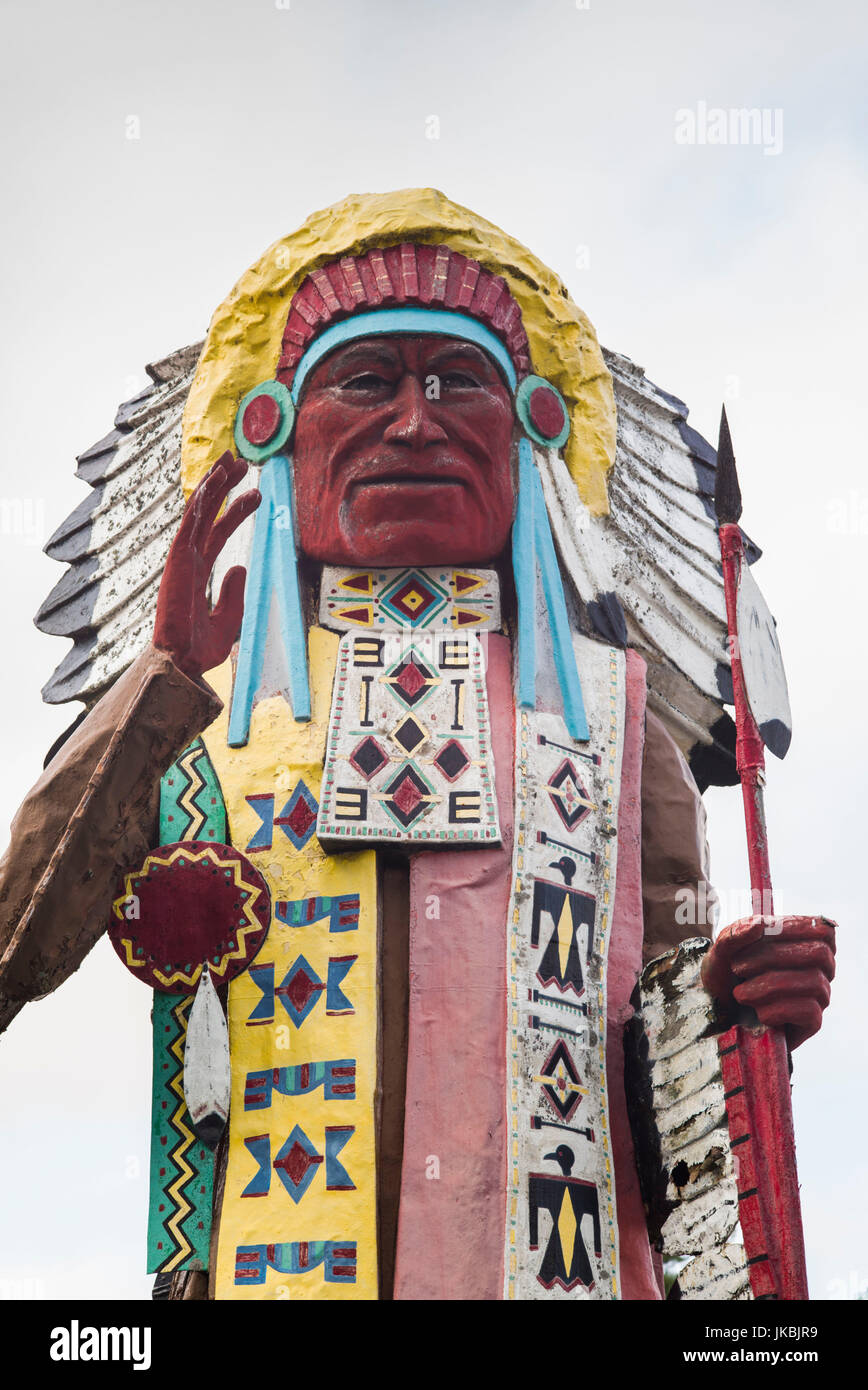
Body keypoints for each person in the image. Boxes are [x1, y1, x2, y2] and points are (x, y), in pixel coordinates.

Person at [0, 190, 835, 1301]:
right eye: (365, 381)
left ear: (534, 424)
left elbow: (655, 1057)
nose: (412, 421)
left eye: (457, 381)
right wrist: (153, 692)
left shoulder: (619, 720)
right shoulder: (192, 727)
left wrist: (730, 1005)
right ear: (274, 429)